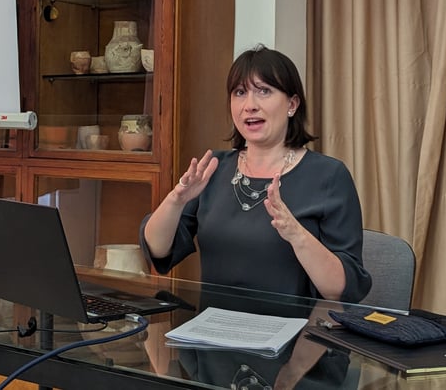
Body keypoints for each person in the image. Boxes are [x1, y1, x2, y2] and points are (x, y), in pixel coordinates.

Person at [141, 44, 371, 303]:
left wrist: (296, 234)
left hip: (292, 336)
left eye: (264, 91)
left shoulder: (329, 176)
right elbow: (158, 250)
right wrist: (176, 199)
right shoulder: (214, 168)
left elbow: (342, 290)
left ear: (292, 104)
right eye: (240, 92)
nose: (249, 105)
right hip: (213, 332)